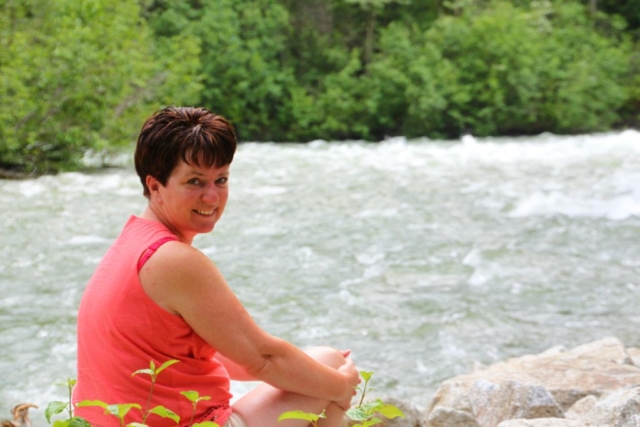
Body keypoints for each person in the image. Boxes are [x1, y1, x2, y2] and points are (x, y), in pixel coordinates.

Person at [73, 106, 359, 427]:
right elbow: (263, 359)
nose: (212, 197)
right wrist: (343, 386)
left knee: (320, 369)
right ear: (155, 187)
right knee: (331, 366)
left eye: (220, 180)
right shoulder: (174, 260)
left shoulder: (131, 244)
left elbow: (229, 355)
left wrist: (312, 378)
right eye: (195, 181)